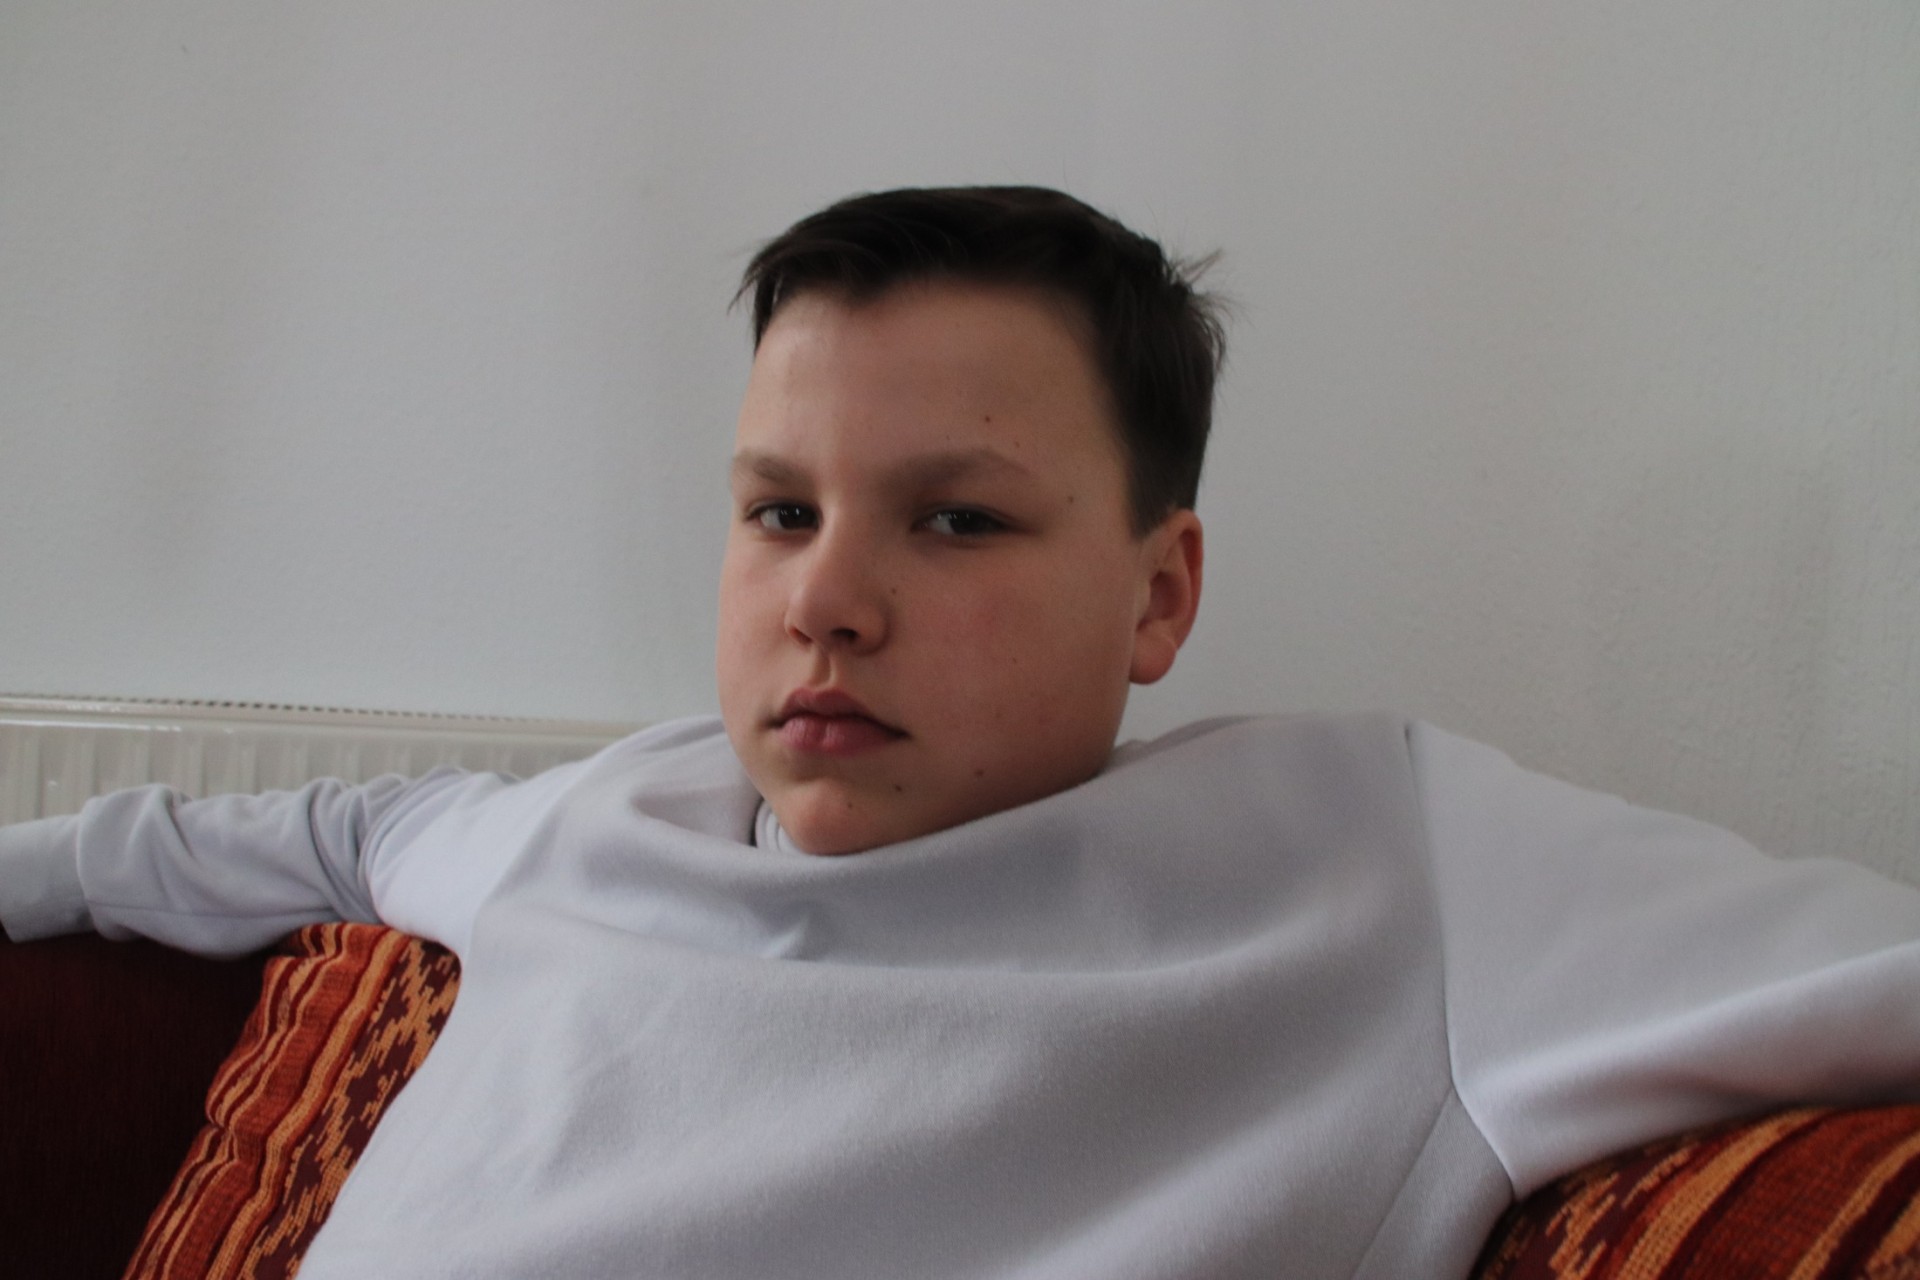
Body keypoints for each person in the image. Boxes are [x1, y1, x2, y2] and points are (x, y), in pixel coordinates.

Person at [3, 186, 1918, 1280]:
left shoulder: (1380, 865)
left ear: (1159, 595)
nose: (825, 600)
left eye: (957, 521)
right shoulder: (616, 809)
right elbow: (326, 835)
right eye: (780, 509)